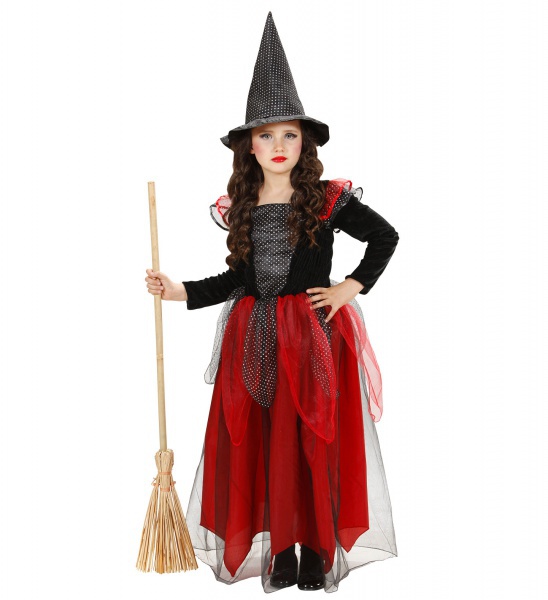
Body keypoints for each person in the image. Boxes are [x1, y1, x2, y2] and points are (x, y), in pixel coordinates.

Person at [144, 12, 399, 594]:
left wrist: (350, 287)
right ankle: (280, 549)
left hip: (313, 336)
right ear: (249, 146)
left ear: (304, 142)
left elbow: (385, 236)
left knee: (311, 441)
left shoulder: (327, 199)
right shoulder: (243, 205)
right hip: (255, 337)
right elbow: (237, 279)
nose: (278, 146)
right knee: (266, 443)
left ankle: (317, 549)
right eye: (266, 136)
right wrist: (179, 290)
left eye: (289, 135)